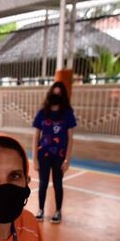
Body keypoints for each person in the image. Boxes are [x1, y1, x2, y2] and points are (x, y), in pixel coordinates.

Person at [32, 81, 77, 223]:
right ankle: (40, 209)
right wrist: (35, 158)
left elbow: (70, 138)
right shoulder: (42, 113)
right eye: (54, 93)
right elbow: (36, 136)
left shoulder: (67, 114)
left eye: (59, 93)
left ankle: (58, 211)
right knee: (43, 183)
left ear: (63, 96)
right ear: (50, 94)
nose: (56, 96)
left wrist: (67, 160)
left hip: (59, 156)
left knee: (58, 184)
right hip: (43, 154)